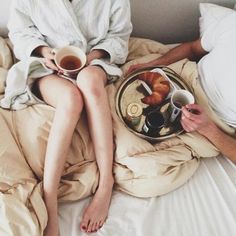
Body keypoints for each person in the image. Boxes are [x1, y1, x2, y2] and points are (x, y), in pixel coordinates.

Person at [7, 0, 132, 235]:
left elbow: (119, 35)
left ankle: (106, 183)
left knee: (90, 81)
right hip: (47, 68)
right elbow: (20, 32)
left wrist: (91, 56)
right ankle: (50, 199)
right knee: (71, 100)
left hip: (93, 63)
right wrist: (45, 53)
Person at [128, 37, 236, 163]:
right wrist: (152, 64)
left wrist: (208, 129)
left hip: (212, 122)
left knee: (137, 161)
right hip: (185, 75)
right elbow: (193, 48)